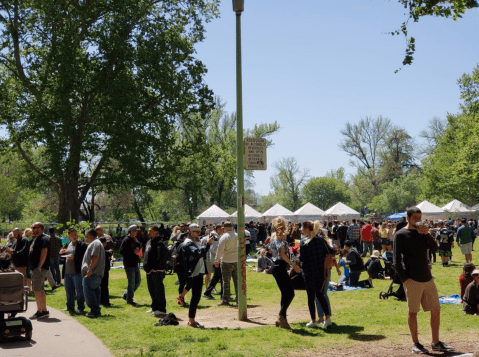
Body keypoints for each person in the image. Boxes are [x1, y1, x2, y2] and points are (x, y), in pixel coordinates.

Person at [393, 207, 454, 354]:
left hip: (427, 277)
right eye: (415, 217)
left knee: (436, 310)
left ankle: (435, 342)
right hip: (411, 279)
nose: (418, 220)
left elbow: (435, 249)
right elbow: (396, 260)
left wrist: (427, 234)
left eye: (419, 217)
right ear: (408, 218)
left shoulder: (423, 233)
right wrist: (405, 280)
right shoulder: (400, 235)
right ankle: (416, 343)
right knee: (413, 312)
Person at [300, 220, 335, 328]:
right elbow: (332, 251)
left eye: (303, 227)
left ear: (307, 229)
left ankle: (314, 320)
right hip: (320, 271)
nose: (301, 230)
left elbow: (302, 258)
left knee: (311, 297)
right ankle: (327, 319)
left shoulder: (303, 242)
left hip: (308, 272)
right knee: (320, 295)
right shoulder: (321, 240)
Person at [270, 216, 301, 329]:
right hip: (280, 265)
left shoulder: (273, 235)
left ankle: (283, 320)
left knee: (285, 293)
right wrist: (293, 265)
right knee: (290, 293)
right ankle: (280, 316)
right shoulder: (282, 235)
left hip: (274, 266)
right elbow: (282, 254)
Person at [182, 223, 214, 328]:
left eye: (199, 231)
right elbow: (198, 253)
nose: (198, 233)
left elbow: (202, 253)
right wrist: (208, 244)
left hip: (199, 271)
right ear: (190, 232)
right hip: (193, 272)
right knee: (195, 297)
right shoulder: (188, 243)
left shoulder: (196, 241)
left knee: (197, 296)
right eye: (196, 231)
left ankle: (192, 319)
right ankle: (191, 321)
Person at [60, 228, 87, 313]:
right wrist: (61, 252)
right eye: (72, 235)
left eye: (75, 234)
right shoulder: (68, 244)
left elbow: (84, 257)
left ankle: (80, 308)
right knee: (69, 290)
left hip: (77, 272)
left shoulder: (82, 244)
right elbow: (64, 254)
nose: (74, 236)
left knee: (79, 291)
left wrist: (74, 257)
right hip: (67, 272)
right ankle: (70, 307)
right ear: (69, 236)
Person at [143, 225, 168, 316]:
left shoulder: (160, 243)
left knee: (159, 290)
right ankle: (154, 307)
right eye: (148, 230)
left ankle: (161, 309)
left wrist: (156, 268)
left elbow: (162, 257)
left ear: (156, 232)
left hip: (156, 271)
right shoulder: (149, 241)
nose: (148, 232)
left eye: (150, 231)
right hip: (149, 271)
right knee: (152, 290)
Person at [28, 222, 51, 319]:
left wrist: (39, 265)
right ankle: (43, 310)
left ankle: (40, 311)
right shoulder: (36, 239)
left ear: (41, 228)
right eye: (32, 227)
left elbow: (44, 251)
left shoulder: (43, 238)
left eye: (34, 227)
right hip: (36, 268)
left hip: (39, 268)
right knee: (40, 290)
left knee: (37, 290)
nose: (32, 228)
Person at [82, 228, 105, 318]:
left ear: (90, 235)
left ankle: (94, 311)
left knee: (89, 292)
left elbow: (94, 257)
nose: (86, 238)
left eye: (86, 235)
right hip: (96, 273)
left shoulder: (95, 243)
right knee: (95, 292)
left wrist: (89, 269)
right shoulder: (97, 243)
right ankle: (96, 310)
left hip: (93, 273)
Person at [215, 221, 238, 306]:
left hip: (226, 261)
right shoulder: (237, 236)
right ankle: (239, 298)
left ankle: (225, 299)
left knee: (226, 282)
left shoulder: (224, 237)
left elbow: (220, 250)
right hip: (236, 261)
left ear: (226, 228)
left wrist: (216, 260)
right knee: (237, 281)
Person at [120, 225, 142, 305]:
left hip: (135, 263)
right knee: (131, 282)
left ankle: (126, 294)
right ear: (131, 231)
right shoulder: (126, 240)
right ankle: (130, 299)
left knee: (138, 281)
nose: (136, 232)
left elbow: (139, 249)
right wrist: (133, 252)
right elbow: (122, 251)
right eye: (135, 231)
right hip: (129, 264)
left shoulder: (135, 239)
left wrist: (138, 244)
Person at [203, 225, 224, 299]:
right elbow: (213, 249)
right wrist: (223, 251)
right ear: (218, 229)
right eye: (222, 229)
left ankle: (207, 292)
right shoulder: (215, 236)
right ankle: (223, 295)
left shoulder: (215, 235)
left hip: (215, 259)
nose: (223, 231)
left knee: (217, 277)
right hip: (216, 260)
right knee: (221, 277)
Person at [99, 237, 113, 306]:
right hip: (103, 271)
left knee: (101, 286)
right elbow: (109, 253)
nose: (106, 243)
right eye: (105, 242)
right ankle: (105, 302)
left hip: (101, 270)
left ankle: (101, 301)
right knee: (104, 286)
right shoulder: (103, 250)